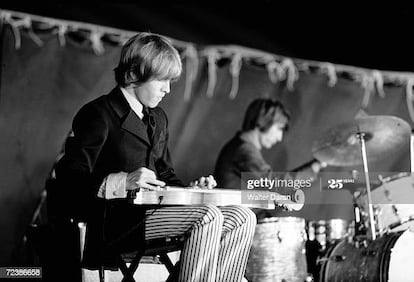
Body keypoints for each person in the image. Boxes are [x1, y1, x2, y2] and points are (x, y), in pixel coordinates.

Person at [53, 32, 256, 282]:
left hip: (155, 216)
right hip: (118, 224)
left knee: (242, 216)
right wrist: (123, 181)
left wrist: (190, 192)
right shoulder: (98, 113)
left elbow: (165, 174)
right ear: (134, 74)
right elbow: (68, 177)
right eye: (162, 80)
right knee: (208, 216)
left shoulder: (158, 118)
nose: (167, 90)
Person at [214, 98, 324, 193]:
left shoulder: (239, 147)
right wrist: (313, 168)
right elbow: (274, 185)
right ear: (264, 121)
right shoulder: (244, 151)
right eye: (279, 129)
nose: (279, 137)